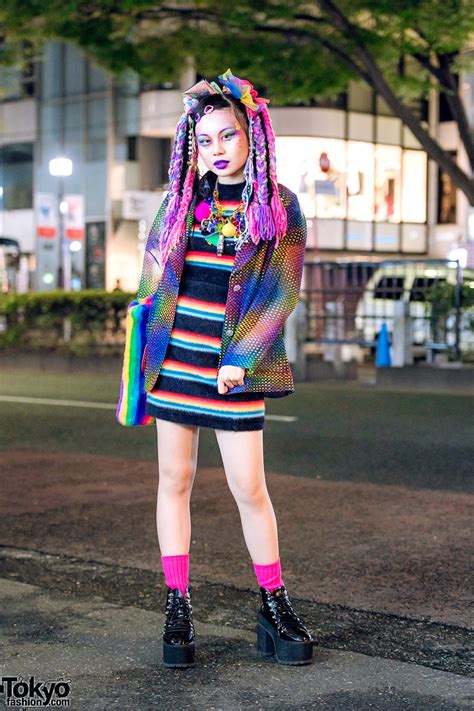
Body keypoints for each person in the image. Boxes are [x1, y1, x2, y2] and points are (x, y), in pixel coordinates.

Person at [117, 69, 313, 668]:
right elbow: (152, 285)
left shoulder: (278, 205)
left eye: (227, 137)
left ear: (252, 134)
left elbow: (280, 293)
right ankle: (177, 603)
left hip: (231, 370)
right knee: (173, 482)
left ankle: (273, 604)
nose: (217, 150)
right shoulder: (181, 202)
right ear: (191, 146)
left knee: (248, 487)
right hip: (175, 364)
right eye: (205, 141)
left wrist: (241, 359)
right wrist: (136, 366)